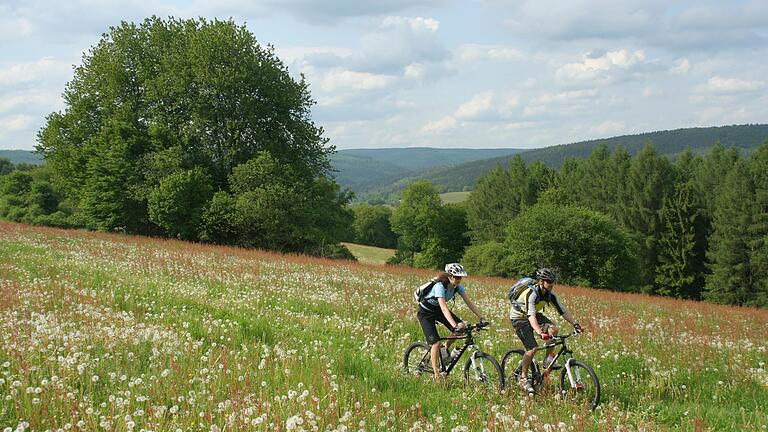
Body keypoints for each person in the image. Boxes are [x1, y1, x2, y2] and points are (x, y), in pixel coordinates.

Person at [509, 268, 581, 393]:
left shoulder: (550, 295)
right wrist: (539, 332)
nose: (551, 284)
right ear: (541, 281)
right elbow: (530, 316)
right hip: (519, 318)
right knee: (532, 349)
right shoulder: (531, 293)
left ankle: (548, 359)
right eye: (548, 281)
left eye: (552, 281)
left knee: (554, 329)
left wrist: (575, 323)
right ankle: (523, 378)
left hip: (534, 316)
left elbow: (563, 311)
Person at [417, 263, 487, 381]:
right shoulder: (439, 286)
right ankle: (437, 374)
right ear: (450, 276)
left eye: (461, 277)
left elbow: (469, 302)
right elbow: (444, 307)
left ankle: (445, 349)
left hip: (438, 311)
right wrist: (454, 326)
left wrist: (482, 317)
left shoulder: (457, 287)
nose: (460, 280)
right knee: (435, 343)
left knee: (462, 326)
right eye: (457, 277)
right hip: (426, 313)